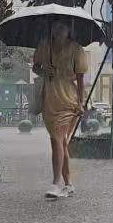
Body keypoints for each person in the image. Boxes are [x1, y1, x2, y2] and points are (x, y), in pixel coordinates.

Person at [33, 21, 88, 200]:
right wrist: (43, 71)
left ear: (70, 30)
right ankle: (69, 184)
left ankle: (56, 182)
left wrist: (81, 102)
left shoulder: (77, 50)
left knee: (58, 140)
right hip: (49, 99)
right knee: (59, 142)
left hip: (68, 100)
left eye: (63, 27)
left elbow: (80, 80)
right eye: (55, 26)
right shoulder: (44, 46)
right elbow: (35, 67)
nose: (59, 29)